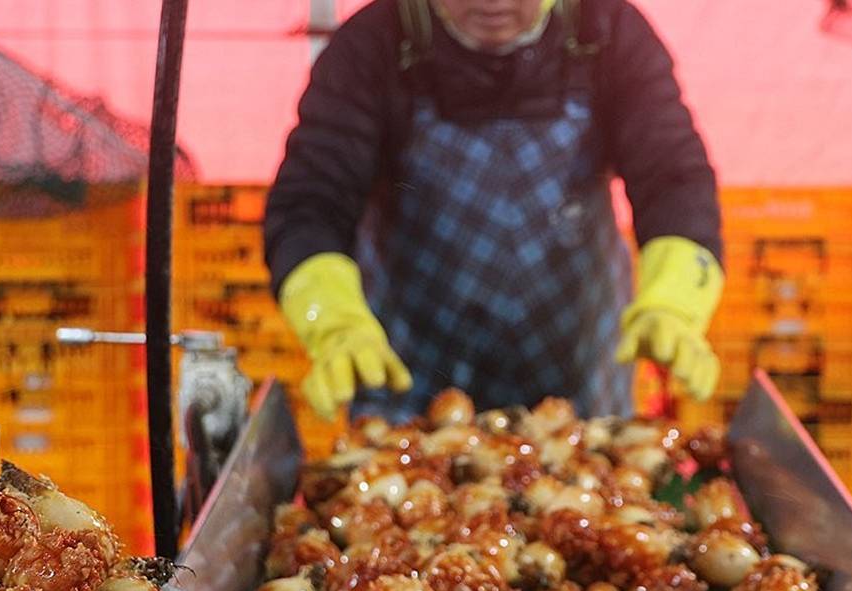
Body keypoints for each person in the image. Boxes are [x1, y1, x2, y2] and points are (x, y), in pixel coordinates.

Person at [265, 0, 723, 423]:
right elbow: (311, 199)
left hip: (580, 376)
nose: (492, 1)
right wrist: (333, 320)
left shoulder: (606, 31)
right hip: (411, 376)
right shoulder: (374, 44)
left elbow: (673, 177)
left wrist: (674, 300)